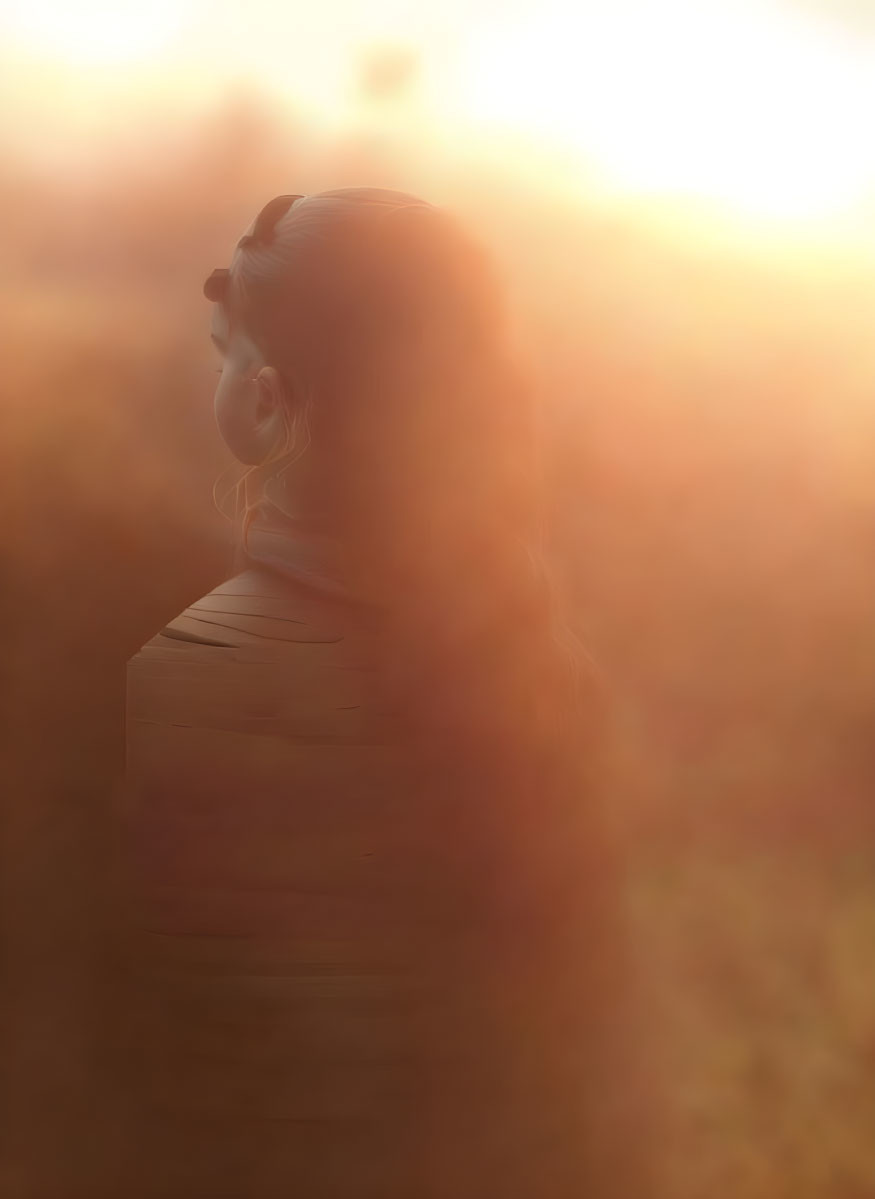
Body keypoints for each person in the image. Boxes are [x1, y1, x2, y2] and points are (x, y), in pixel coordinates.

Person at [120, 187, 642, 1198]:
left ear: (266, 399)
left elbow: (179, 1005)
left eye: (225, 351)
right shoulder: (523, 646)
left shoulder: (203, 663)